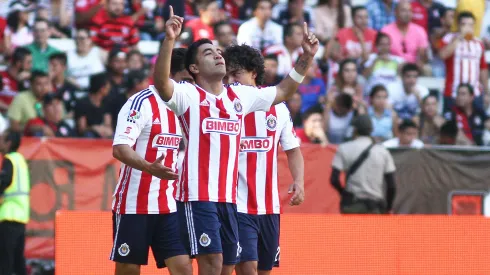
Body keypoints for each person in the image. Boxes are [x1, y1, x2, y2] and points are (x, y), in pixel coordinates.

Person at [153, 6, 318, 275]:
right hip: (197, 195)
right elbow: (161, 83)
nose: (218, 55)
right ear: (194, 67)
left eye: (219, 52)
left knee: (227, 266)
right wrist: (169, 40)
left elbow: (285, 89)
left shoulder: (241, 97)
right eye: (209, 53)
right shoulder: (188, 95)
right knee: (214, 263)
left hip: (228, 200)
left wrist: (306, 58)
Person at [223, 44, 305, 275]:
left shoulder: (277, 108)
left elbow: (293, 149)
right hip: (236, 204)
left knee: (263, 271)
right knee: (247, 268)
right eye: (227, 75)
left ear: (253, 73)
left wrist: (299, 180)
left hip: (269, 207)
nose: (230, 81)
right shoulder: (225, 106)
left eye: (236, 74)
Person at [111, 63, 192, 275]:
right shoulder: (141, 102)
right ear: (169, 75)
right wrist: (149, 168)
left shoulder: (186, 105)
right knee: (128, 269)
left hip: (168, 204)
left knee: (184, 267)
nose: (189, 87)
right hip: (134, 203)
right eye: (185, 81)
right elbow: (120, 148)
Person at [331, 115, 396, 214]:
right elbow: (392, 185)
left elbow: (334, 179)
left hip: (352, 205)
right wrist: (388, 207)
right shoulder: (382, 151)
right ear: (371, 130)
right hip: (375, 206)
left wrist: (343, 193)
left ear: (354, 130)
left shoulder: (344, 148)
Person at [439, 12, 488, 112]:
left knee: (475, 126)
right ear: (458, 25)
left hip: (475, 93)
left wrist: (487, 92)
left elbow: (483, 69)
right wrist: (460, 37)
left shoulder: (479, 43)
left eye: (470, 25)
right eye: (464, 24)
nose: (467, 27)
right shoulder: (449, 38)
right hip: (452, 93)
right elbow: (443, 55)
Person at [0, 130, 29, 275]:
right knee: (19, 263)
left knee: (5, 263)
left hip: (9, 216)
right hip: (21, 217)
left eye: (2, 139)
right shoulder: (21, 160)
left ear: (9, 143)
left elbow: (3, 182)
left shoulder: (9, 159)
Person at [74, 72, 113, 138]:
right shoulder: (82, 103)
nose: (109, 88)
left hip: (103, 132)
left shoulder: (106, 102)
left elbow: (108, 123)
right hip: (89, 134)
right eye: (107, 86)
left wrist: (106, 130)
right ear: (101, 88)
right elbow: (81, 128)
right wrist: (94, 128)